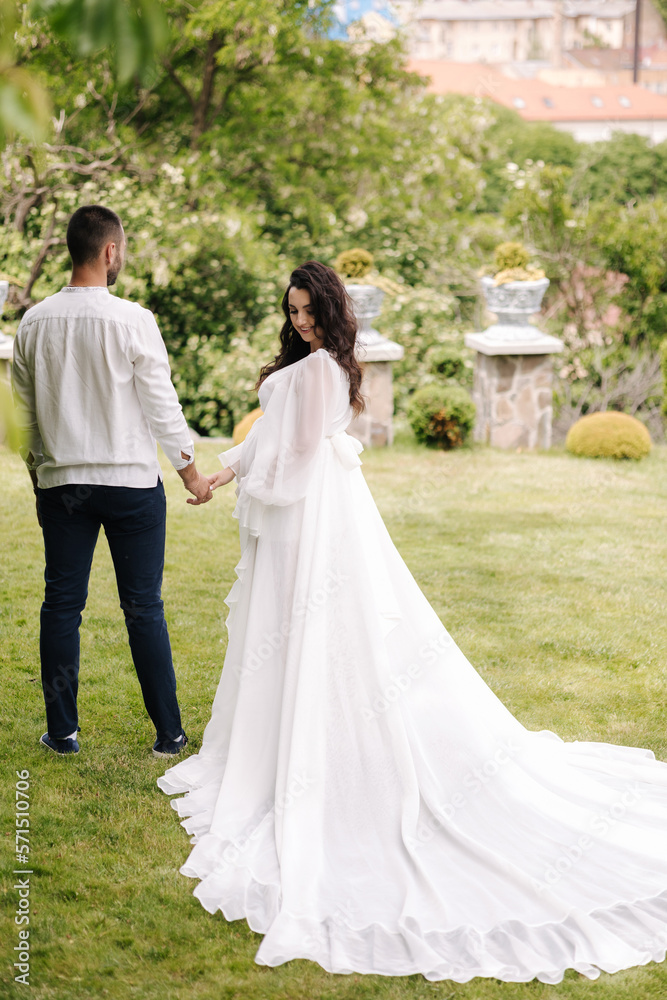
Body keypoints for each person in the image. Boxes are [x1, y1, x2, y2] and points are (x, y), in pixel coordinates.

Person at [157, 260, 667, 984]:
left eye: (309, 311)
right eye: (292, 310)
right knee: (285, 641)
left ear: (330, 310)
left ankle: (320, 755)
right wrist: (220, 475)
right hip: (298, 516)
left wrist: (256, 490)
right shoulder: (307, 367)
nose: (299, 320)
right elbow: (272, 438)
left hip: (308, 524)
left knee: (320, 637)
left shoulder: (327, 372)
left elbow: (297, 463)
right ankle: (278, 745)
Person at [11, 204, 212, 758]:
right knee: (144, 607)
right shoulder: (134, 319)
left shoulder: (32, 322)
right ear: (109, 252)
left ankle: (63, 733)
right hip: (131, 486)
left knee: (61, 606)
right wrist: (191, 474)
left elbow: (23, 418)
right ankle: (169, 736)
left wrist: (39, 481)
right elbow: (163, 408)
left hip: (63, 487)